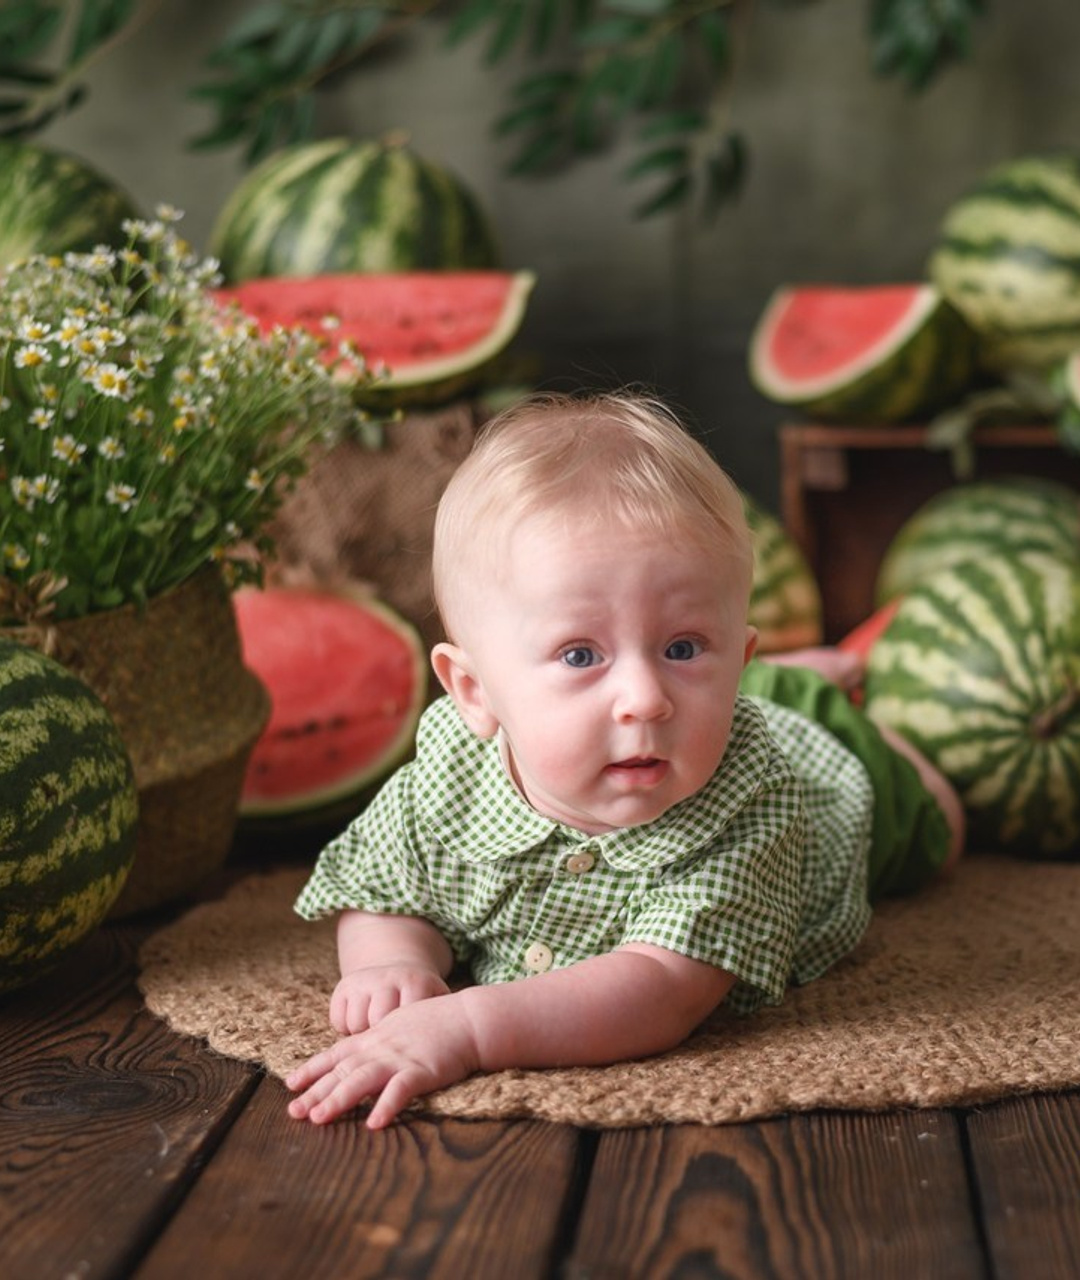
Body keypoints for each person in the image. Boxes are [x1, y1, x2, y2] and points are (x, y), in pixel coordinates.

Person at [286, 390, 964, 1128]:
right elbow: (383, 887)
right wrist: (390, 962)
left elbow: (658, 990)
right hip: (732, 707)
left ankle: (850, 718)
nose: (644, 697)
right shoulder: (444, 777)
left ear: (733, 662)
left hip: (839, 773)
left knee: (943, 832)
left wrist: (467, 1027)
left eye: (682, 647)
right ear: (476, 693)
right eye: (581, 654)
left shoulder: (753, 804)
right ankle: (791, 675)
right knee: (721, 698)